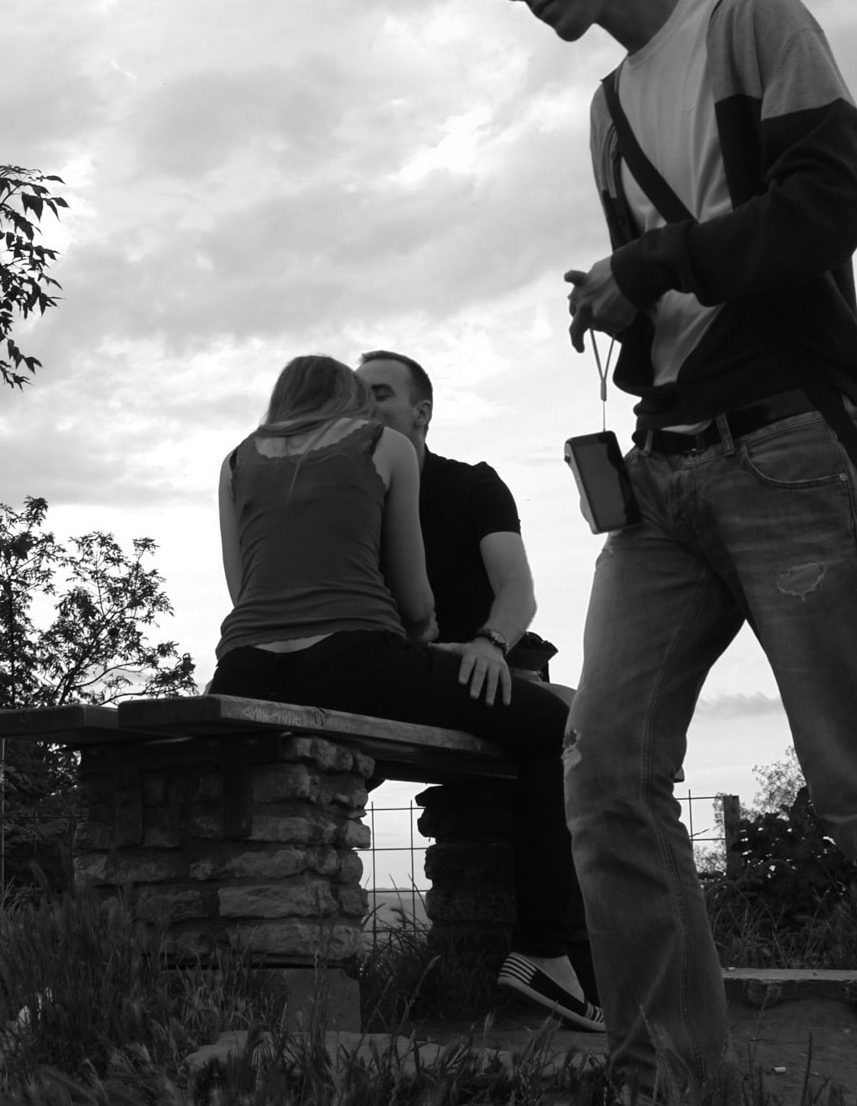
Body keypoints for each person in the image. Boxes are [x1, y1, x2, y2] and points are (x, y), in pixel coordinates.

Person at [466, 0, 857, 1094]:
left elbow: (826, 207)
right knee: (604, 776)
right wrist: (620, 303)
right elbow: (682, 282)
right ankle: (671, 1079)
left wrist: (650, 265)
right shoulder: (606, 112)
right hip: (664, 476)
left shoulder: (752, 19)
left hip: (790, 451)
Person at [206, 355, 601, 1030]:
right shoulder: (382, 446)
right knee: (557, 730)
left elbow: (242, 589)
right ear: (345, 398)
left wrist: (485, 645)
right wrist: (422, 645)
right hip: (358, 662)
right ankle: (542, 950)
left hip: (242, 666)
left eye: (381, 392)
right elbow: (416, 605)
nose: (368, 404)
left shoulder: (236, 459)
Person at [354, 350, 547, 689]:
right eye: (355, 400)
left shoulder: (474, 485)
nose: (363, 409)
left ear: (422, 412)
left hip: (474, 670)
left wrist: (490, 645)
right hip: (388, 668)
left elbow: (516, 585)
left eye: (380, 396)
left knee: (570, 713)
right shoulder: (346, 501)